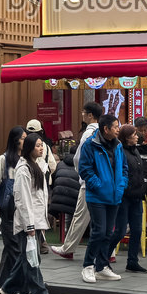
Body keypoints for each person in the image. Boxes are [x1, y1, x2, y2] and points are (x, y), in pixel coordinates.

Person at [50, 101, 105, 260]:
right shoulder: (104, 132)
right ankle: (110, 252)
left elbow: (79, 158)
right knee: (103, 218)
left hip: (88, 182)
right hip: (103, 180)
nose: (82, 115)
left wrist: (80, 172)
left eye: (83, 112)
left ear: (90, 115)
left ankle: (68, 248)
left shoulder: (88, 134)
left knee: (80, 216)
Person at [77, 114, 127, 283]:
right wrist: (98, 185)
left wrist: (121, 185)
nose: (118, 129)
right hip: (97, 196)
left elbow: (124, 169)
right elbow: (84, 169)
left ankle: (102, 266)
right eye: (115, 127)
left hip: (114, 196)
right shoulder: (91, 144)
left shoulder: (119, 145)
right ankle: (88, 266)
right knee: (99, 231)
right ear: (106, 129)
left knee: (108, 232)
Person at [11, 133, 56, 294]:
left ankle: (10, 286)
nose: (41, 148)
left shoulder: (40, 165)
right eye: (37, 145)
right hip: (27, 221)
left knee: (27, 256)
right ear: (29, 148)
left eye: (42, 145)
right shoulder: (23, 169)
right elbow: (23, 200)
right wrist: (29, 224)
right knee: (32, 257)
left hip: (37, 219)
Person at [0, 127, 27, 294]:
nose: (25, 141)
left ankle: (0, 283)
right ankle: (17, 284)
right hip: (7, 209)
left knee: (11, 249)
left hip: (22, 210)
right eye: (23, 138)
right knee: (15, 248)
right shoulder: (3, 160)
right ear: (15, 140)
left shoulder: (26, 160)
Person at [118, 125, 147, 273]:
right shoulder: (120, 151)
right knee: (119, 231)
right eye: (134, 134)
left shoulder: (135, 151)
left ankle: (132, 261)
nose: (137, 136)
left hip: (137, 196)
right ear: (127, 137)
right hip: (125, 197)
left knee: (137, 230)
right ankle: (103, 258)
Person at [49, 151, 82, 226]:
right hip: (75, 199)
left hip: (57, 198)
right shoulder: (81, 164)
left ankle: (65, 232)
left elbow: (53, 179)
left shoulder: (60, 164)